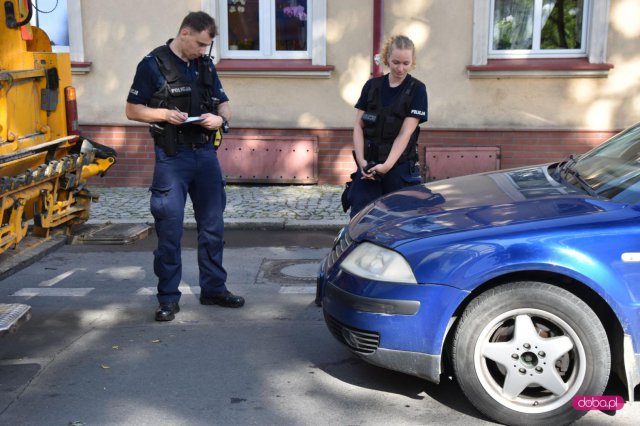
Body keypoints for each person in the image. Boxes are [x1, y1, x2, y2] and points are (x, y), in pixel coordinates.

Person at [125, 11, 244, 322]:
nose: (204, 51)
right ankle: (168, 298)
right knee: (169, 230)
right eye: (201, 44)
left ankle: (214, 289)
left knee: (213, 228)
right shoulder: (152, 64)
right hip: (172, 158)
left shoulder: (204, 65)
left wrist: (220, 119)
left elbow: (225, 104)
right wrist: (164, 115)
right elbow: (132, 110)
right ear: (185, 34)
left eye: (208, 47)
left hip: (205, 156)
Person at [346, 35, 428, 218]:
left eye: (406, 63)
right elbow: (358, 127)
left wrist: (386, 166)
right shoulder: (371, 86)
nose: (400, 68)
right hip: (368, 167)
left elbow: (405, 134)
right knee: (362, 218)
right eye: (395, 62)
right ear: (386, 59)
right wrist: (362, 162)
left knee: (399, 221)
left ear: (412, 61)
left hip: (398, 168)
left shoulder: (417, 90)